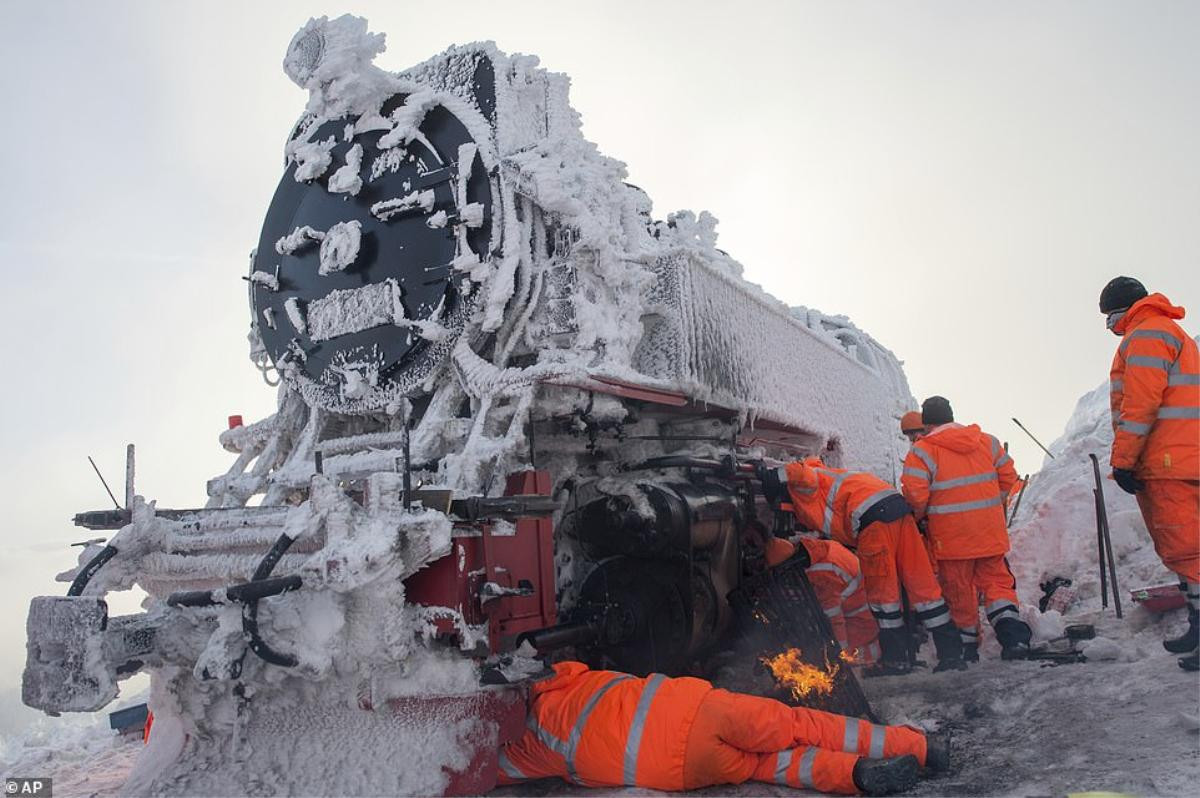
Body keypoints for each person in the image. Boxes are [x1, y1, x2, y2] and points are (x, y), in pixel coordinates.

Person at [498, 660, 950, 796]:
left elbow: (492, 768)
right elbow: (560, 665)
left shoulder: (534, 747)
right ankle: (918, 746)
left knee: (775, 766)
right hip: (702, 710)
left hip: (682, 769)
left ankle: (857, 777)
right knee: (800, 724)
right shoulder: (570, 677)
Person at [760, 459, 965, 673]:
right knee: (923, 587)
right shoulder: (835, 481)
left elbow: (798, 470)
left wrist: (772, 476)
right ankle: (951, 655)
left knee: (884, 599)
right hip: (898, 512)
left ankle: (895, 661)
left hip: (874, 523)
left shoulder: (810, 480)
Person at [1098, 277, 1199, 672]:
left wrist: (1124, 461)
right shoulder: (1175, 334)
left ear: (1123, 308)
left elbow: (1139, 406)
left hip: (1167, 461)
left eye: (1110, 317)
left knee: (1188, 551)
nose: (1110, 326)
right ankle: (1196, 626)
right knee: (1188, 550)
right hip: (1184, 457)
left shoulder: (1145, 336)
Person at [901, 396, 1032, 660]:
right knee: (997, 584)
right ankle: (1013, 636)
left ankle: (968, 649)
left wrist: (922, 518)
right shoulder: (987, 441)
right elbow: (1009, 478)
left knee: (959, 594)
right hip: (989, 533)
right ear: (951, 416)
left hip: (951, 539)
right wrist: (990, 507)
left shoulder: (921, 451)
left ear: (926, 424)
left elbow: (915, 496)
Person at [766, 535, 882, 664]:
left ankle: (875, 653)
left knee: (846, 655)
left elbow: (833, 616)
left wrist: (838, 653)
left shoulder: (822, 572)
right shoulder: (814, 549)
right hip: (865, 607)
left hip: (861, 620)